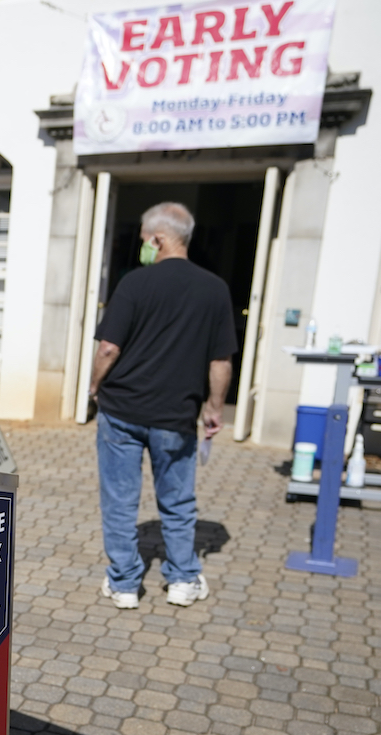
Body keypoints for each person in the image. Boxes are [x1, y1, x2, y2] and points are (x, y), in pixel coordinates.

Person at [88, 202, 236, 609]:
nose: (141, 246)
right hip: (176, 414)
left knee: (120, 500)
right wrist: (214, 408)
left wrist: (94, 386)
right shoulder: (214, 289)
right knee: (178, 501)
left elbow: (108, 347)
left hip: (122, 411)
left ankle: (123, 585)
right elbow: (220, 360)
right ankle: (183, 580)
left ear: (158, 239)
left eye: (143, 239)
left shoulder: (135, 284)